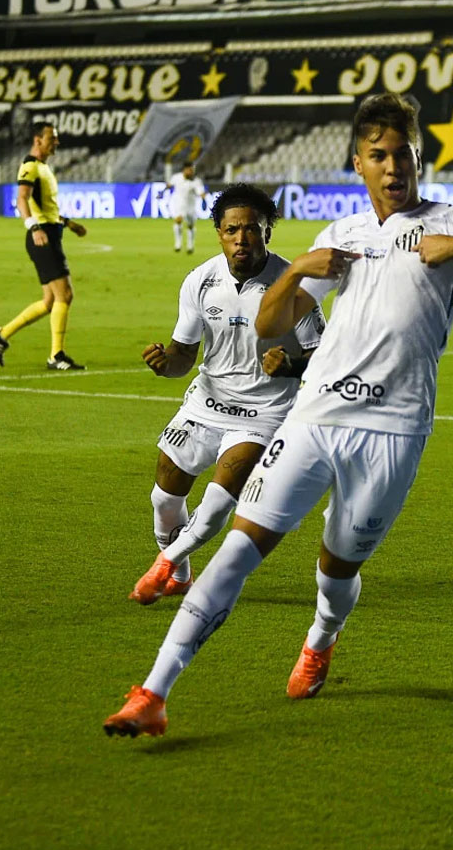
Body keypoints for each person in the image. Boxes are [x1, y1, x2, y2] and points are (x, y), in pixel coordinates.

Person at [105, 93, 453, 738]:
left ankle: (321, 635)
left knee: (337, 568)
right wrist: (299, 273)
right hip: (313, 417)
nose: (394, 168)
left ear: (418, 157)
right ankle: (153, 691)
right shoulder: (341, 234)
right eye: (378, 156)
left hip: (394, 431)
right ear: (358, 164)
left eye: (404, 155)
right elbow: (269, 325)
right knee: (237, 551)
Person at [133, 183, 325, 607]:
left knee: (222, 492)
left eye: (252, 229)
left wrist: (292, 365)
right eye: (231, 230)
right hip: (208, 400)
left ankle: (166, 562)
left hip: (265, 410)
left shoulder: (294, 284)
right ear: (219, 233)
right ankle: (180, 575)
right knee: (164, 495)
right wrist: (167, 364)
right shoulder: (200, 281)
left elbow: (323, 355)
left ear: (267, 232)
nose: (242, 239)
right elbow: (184, 354)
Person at [0, 121, 89, 371]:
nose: (56, 142)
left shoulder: (42, 167)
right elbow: (21, 199)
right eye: (52, 138)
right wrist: (33, 227)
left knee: (49, 301)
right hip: (42, 237)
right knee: (64, 295)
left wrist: (67, 223)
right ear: (38, 140)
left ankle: (2, 334)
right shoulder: (30, 166)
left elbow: (46, 207)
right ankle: (56, 355)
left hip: (50, 233)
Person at [161, 162, 207, 254]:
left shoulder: (196, 181)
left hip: (191, 205)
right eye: (190, 170)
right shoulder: (176, 177)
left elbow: (201, 191)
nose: (191, 172)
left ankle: (190, 245)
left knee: (190, 226)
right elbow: (170, 185)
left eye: (192, 170)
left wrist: (204, 200)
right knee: (178, 220)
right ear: (184, 170)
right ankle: (178, 243)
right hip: (179, 204)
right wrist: (162, 192)